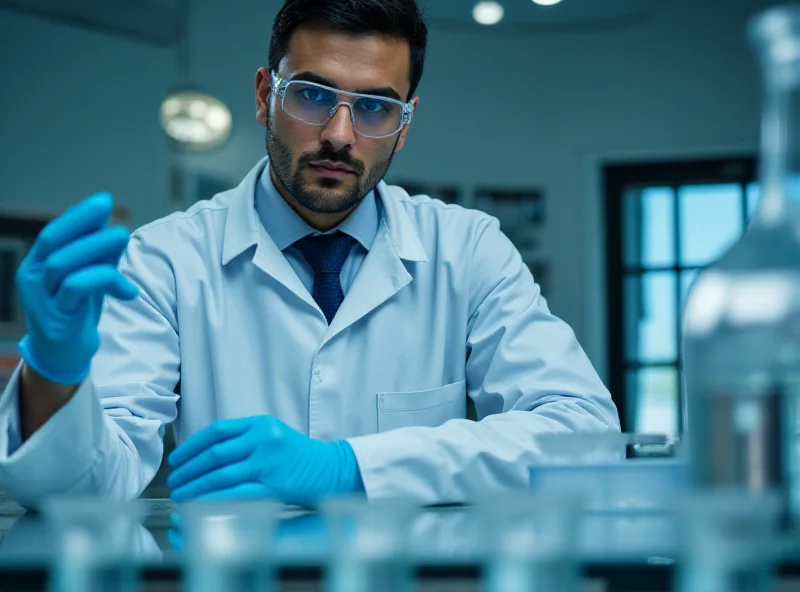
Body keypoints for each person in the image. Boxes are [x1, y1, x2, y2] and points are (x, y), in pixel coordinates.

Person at [0, 0, 619, 508]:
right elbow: (80, 493)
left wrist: (350, 468)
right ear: (266, 94)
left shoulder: (468, 249)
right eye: (313, 95)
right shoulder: (166, 260)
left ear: (405, 125)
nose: (340, 135)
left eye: (375, 107)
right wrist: (53, 371)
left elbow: (586, 439)